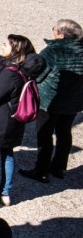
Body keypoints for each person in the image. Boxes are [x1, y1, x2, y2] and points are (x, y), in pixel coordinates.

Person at [0, 35, 42, 205]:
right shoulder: (25, 71)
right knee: (7, 154)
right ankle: (5, 192)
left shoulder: (9, 74)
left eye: (6, 44)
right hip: (15, 120)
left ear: (15, 49)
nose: (3, 46)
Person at [18, 19, 83, 183]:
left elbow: (38, 72)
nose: (53, 30)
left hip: (49, 101)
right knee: (64, 132)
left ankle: (41, 170)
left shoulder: (52, 51)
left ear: (60, 35)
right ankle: (59, 167)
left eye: (55, 29)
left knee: (45, 134)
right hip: (74, 101)